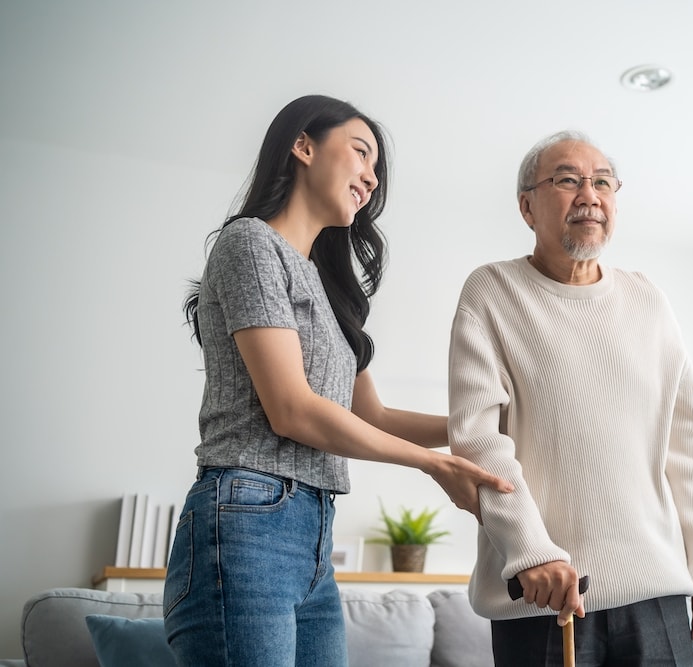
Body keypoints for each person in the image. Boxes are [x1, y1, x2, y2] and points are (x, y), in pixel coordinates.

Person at [163, 94, 512, 667]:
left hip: (313, 537)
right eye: (361, 153)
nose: (372, 179)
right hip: (247, 523)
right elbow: (292, 411)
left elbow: (372, 417)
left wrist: (481, 425)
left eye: (376, 169)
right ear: (303, 146)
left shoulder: (329, 292)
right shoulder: (250, 243)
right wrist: (434, 464)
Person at [447, 130, 693, 666]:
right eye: (567, 180)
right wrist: (530, 554)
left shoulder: (647, 299)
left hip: (657, 597)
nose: (589, 194)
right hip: (542, 600)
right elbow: (478, 440)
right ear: (527, 206)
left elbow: (686, 448)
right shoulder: (491, 291)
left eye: (602, 181)